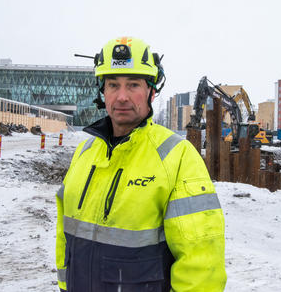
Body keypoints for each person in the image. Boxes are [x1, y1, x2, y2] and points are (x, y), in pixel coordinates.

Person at [55, 37, 227, 292]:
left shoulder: (177, 156)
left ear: (151, 91)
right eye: (113, 85)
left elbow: (201, 261)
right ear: (102, 92)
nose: (122, 96)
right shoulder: (84, 152)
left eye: (133, 85)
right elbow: (65, 235)